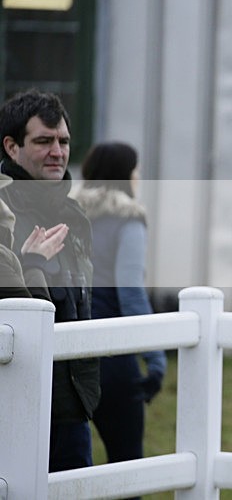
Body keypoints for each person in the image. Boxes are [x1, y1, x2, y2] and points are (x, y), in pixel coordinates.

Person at [0, 89, 99, 471]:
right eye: (43, 141)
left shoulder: (75, 215)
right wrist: (30, 263)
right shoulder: (3, 210)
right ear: (11, 147)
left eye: (64, 141)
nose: (57, 151)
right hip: (15, 400)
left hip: (74, 400)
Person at [74, 142, 166, 482]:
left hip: (67, 356)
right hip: (112, 361)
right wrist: (155, 360)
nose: (138, 176)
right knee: (126, 472)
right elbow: (130, 294)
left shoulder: (69, 215)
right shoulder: (128, 218)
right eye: (135, 169)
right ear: (123, 175)